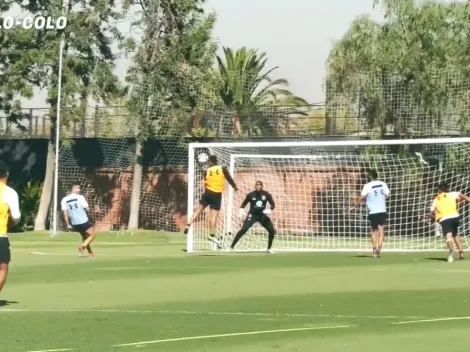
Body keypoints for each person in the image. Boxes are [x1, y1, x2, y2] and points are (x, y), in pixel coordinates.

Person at [184, 155, 238, 247]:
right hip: (216, 194)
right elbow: (229, 179)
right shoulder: (222, 169)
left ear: (209, 161)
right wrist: (235, 187)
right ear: (216, 161)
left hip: (207, 193)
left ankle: (188, 224)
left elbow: (206, 181)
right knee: (214, 216)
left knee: (198, 210)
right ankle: (212, 235)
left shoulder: (206, 171)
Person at [429, 182, 470, 262]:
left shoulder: (436, 199)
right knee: (455, 234)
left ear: (440, 190)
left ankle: (451, 253)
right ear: (447, 189)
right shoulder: (453, 194)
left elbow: (432, 212)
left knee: (449, 236)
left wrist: (431, 218)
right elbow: (463, 196)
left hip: (445, 219)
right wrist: (468, 200)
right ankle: (461, 252)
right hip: (455, 217)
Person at [230, 181, 276, 253]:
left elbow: (273, 204)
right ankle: (232, 246)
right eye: (256, 185)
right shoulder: (250, 195)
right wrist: (241, 209)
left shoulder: (266, 194)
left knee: (271, 230)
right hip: (252, 215)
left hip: (262, 215)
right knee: (244, 229)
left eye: (259, 185)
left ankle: (269, 248)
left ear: (262, 186)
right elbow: (244, 203)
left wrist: (270, 210)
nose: (258, 186)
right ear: (255, 186)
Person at [355, 169, 390, 257]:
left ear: (369, 177)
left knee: (374, 230)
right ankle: (379, 248)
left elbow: (362, 197)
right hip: (382, 209)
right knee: (381, 229)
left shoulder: (367, 185)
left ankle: (374, 250)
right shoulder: (383, 183)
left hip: (373, 210)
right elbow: (387, 194)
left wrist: (357, 204)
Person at [0, 162, 21, 293]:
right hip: (0, 236)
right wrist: (12, 223)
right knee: (2, 267)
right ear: (6, 174)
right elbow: (16, 216)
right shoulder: (9, 192)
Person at [61, 182, 95, 256]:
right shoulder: (80, 197)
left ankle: (90, 252)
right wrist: (91, 209)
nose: (79, 190)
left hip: (74, 223)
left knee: (84, 236)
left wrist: (68, 224)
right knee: (92, 235)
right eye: (78, 188)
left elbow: (65, 214)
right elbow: (87, 209)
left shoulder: (64, 199)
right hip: (83, 220)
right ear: (74, 189)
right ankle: (82, 247)